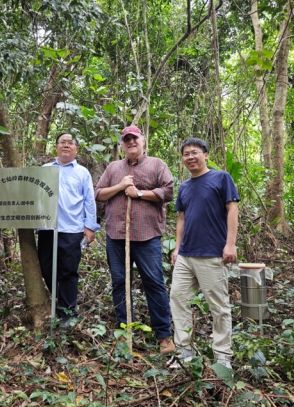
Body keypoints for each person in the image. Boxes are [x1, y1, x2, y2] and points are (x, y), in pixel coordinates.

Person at [95, 125, 175, 354]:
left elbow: (168, 192)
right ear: (122, 144)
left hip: (147, 236)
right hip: (116, 236)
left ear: (143, 140)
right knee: (120, 282)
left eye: (134, 138)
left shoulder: (157, 165)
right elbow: (98, 193)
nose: (131, 142)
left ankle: (164, 335)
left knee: (154, 282)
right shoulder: (113, 167)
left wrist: (138, 193)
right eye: (126, 139)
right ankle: (125, 331)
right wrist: (120, 186)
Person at [168, 137, 239, 369]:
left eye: (194, 152)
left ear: (205, 155)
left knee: (218, 306)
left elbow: (232, 209)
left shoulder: (221, 178)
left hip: (211, 253)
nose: (190, 157)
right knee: (178, 299)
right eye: (186, 154)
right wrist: (177, 248)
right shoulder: (185, 187)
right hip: (186, 255)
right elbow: (181, 218)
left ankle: (222, 357)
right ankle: (184, 351)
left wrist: (230, 244)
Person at [37, 132, 99, 324]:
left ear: (76, 149)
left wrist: (90, 227)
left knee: (68, 270)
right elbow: (36, 197)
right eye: (62, 142)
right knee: (46, 267)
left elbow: (89, 200)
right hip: (47, 228)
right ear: (56, 147)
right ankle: (58, 300)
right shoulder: (45, 169)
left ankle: (68, 314)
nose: (66, 145)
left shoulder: (82, 172)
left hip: (72, 229)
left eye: (70, 143)